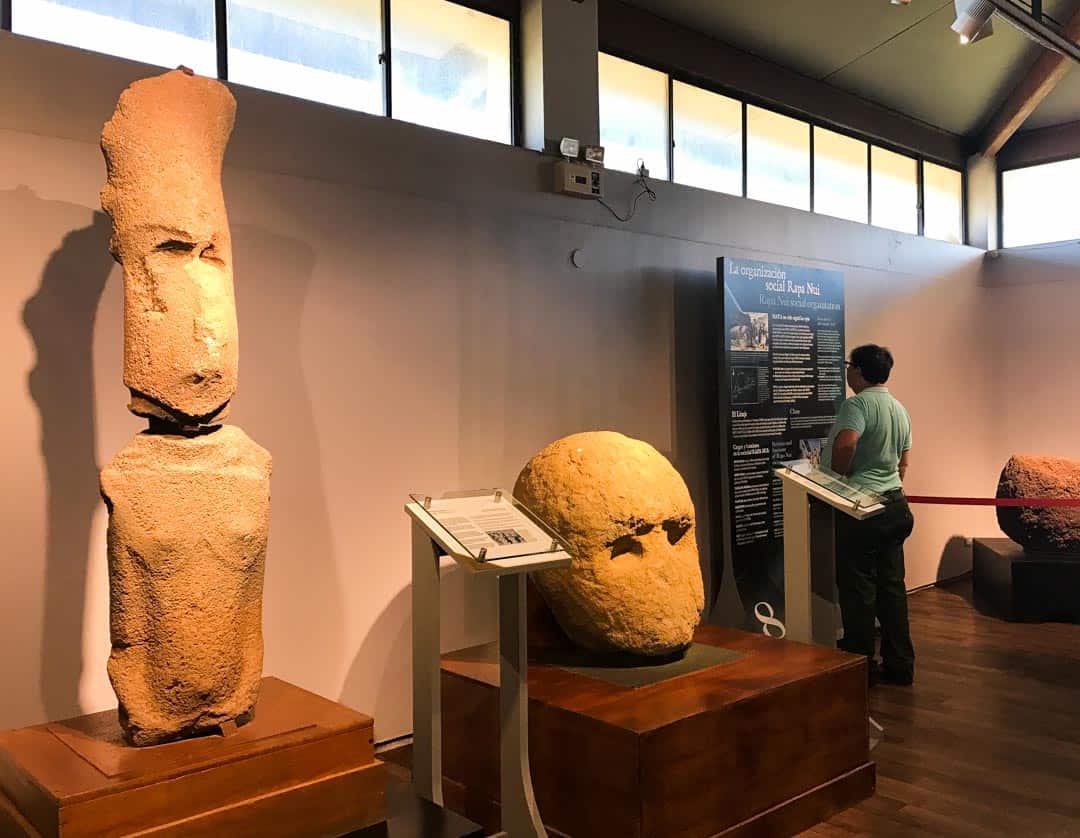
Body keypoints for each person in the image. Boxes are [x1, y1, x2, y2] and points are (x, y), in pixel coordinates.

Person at [821, 344, 915, 686]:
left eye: (849, 366)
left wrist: (839, 477)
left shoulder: (857, 404)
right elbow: (903, 461)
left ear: (858, 371)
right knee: (892, 588)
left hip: (863, 507)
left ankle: (861, 667)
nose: (847, 372)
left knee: (858, 590)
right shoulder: (898, 408)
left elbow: (846, 444)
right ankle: (900, 664)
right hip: (895, 506)